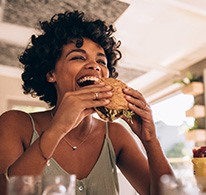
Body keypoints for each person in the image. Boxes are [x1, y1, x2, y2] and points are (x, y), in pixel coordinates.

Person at [0, 10, 174, 195]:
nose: (95, 66)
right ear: (51, 73)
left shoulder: (115, 135)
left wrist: (150, 140)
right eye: (78, 57)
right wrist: (57, 129)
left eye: (102, 61)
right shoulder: (14, 124)